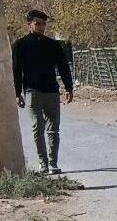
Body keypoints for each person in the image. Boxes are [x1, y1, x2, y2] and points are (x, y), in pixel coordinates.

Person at [11, 9, 75, 173]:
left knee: (53, 128)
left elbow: (63, 67)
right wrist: (17, 93)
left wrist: (68, 87)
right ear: (29, 24)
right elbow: (17, 70)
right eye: (37, 24)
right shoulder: (20, 45)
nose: (41, 27)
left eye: (43, 24)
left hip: (52, 91)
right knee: (37, 128)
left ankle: (53, 163)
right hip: (32, 91)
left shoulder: (53, 45)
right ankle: (43, 163)